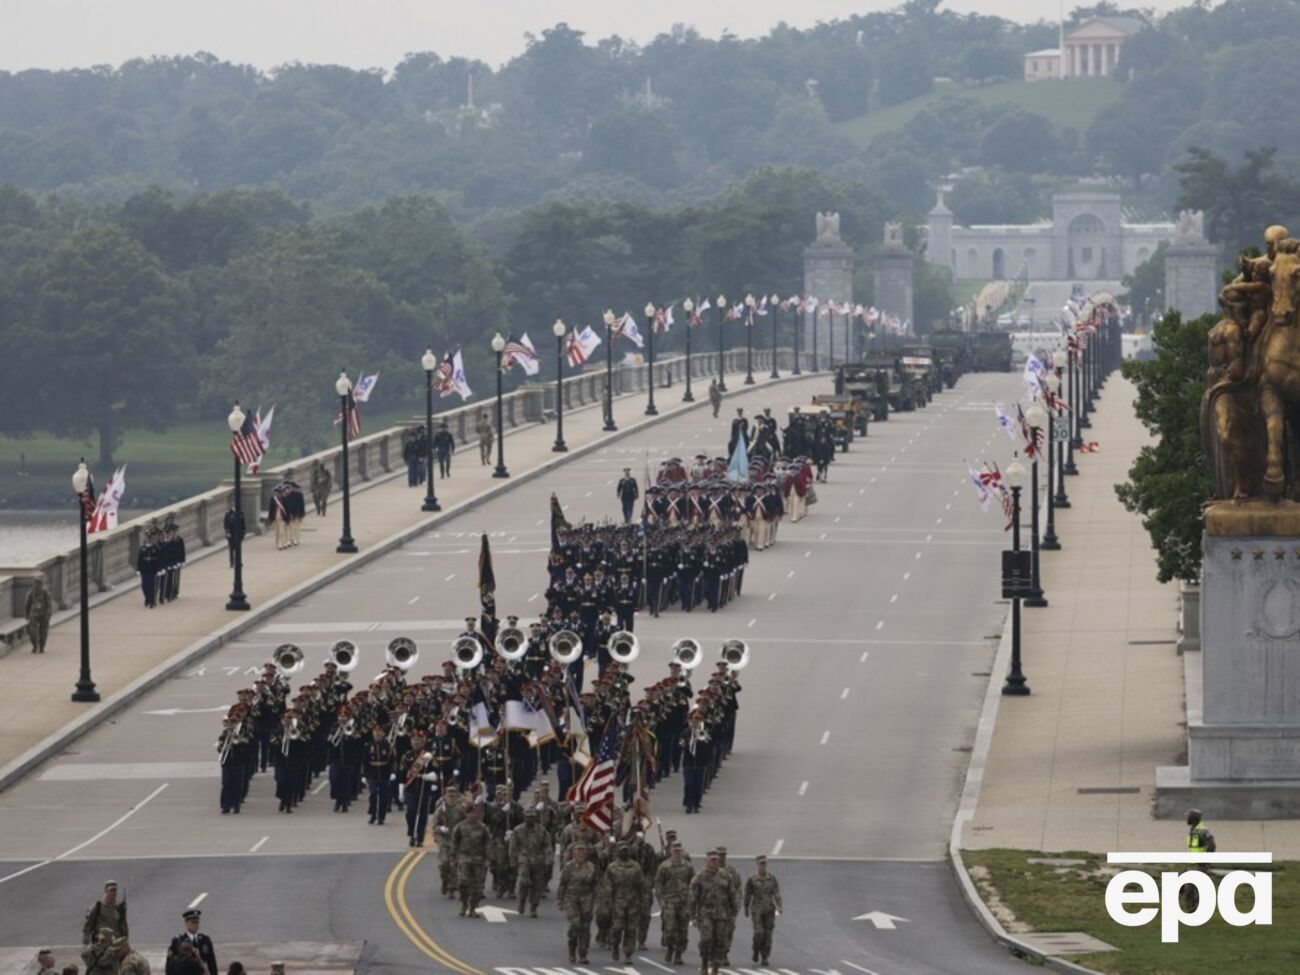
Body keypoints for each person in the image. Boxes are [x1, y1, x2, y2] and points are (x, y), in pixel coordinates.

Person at [688, 851, 736, 975]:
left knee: (720, 941)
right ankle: (704, 963)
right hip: (705, 915)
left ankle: (715, 968)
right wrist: (692, 916)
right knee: (706, 939)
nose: (715, 862)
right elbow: (693, 898)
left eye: (716, 860)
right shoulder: (700, 877)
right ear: (707, 861)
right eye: (712, 860)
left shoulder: (726, 876)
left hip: (722, 915)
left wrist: (733, 914)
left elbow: (732, 895)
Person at [603, 843, 645, 963]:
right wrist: (609, 901)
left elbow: (641, 885)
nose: (624, 852)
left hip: (633, 903)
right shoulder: (612, 867)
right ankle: (615, 945)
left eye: (626, 850)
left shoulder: (635, 867)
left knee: (631, 929)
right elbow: (608, 885)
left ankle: (628, 954)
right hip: (618, 903)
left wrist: (643, 901)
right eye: (622, 850)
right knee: (617, 928)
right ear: (618, 852)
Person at [654, 842, 695, 965]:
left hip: (683, 902)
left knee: (683, 930)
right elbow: (658, 884)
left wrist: (692, 899)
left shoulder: (688, 866)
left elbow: (693, 883)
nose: (677, 853)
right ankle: (670, 947)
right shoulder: (664, 866)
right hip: (669, 901)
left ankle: (678, 954)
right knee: (670, 929)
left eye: (679, 850)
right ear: (671, 851)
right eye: (675, 850)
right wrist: (661, 900)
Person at [557, 843, 598, 964]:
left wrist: (598, 900)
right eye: (579, 850)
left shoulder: (591, 867)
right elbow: (563, 884)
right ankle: (572, 950)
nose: (581, 853)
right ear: (574, 853)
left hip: (587, 898)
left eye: (583, 850)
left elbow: (596, 884)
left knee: (585, 927)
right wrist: (559, 900)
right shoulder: (569, 866)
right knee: (575, 925)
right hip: (571, 898)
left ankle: (583, 953)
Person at [509, 808, 552, 917]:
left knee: (537, 885)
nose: (530, 819)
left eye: (532, 817)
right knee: (524, 881)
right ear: (524, 817)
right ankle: (522, 901)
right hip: (524, 859)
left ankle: (533, 907)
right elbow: (513, 847)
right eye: (528, 817)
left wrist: (548, 860)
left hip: (538, 860)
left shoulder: (541, 830)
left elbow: (547, 846)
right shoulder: (518, 830)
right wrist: (513, 860)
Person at [743, 855, 783, 965]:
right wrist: (746, 907)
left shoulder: (772, 878)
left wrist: (780, 905)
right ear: (757, 865)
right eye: (761, 863)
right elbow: (747, 894)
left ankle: (765, 956)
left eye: (765, 863)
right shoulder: (752, 879)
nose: (763, 866)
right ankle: (756, 950)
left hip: (769, 910)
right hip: (757, 910)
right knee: (759, 932)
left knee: (768, 934)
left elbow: (776, 893)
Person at [166, 908, 218, 975]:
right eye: (193, 922)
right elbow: (170, 965)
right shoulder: (178, 941)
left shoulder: (205, 940)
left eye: (197, 922)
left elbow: (212, 963)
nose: (196, 925)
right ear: (186, 923)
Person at [25, 574, 52, 654]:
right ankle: (35, 646)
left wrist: (48, 614)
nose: (37, 586)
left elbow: (49, 605)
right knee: (32, 631)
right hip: (33, 613)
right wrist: (27, 614)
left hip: (44, 613)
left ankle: (41, 646)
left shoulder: (46, 593)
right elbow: (27, 604)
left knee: (43, 632)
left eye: (39, 584)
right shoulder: (31, 593)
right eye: (35, 584)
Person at [223, 499, 245, 568]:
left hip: (238, 534)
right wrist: (227, 532)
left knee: (238, 549)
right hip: (231, 534)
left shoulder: (241, 513)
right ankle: (232, 562)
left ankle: (238, 561)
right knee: (231, 549)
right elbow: (226, 524)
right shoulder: (228, 514)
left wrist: (243, 533)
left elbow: (243, 524)